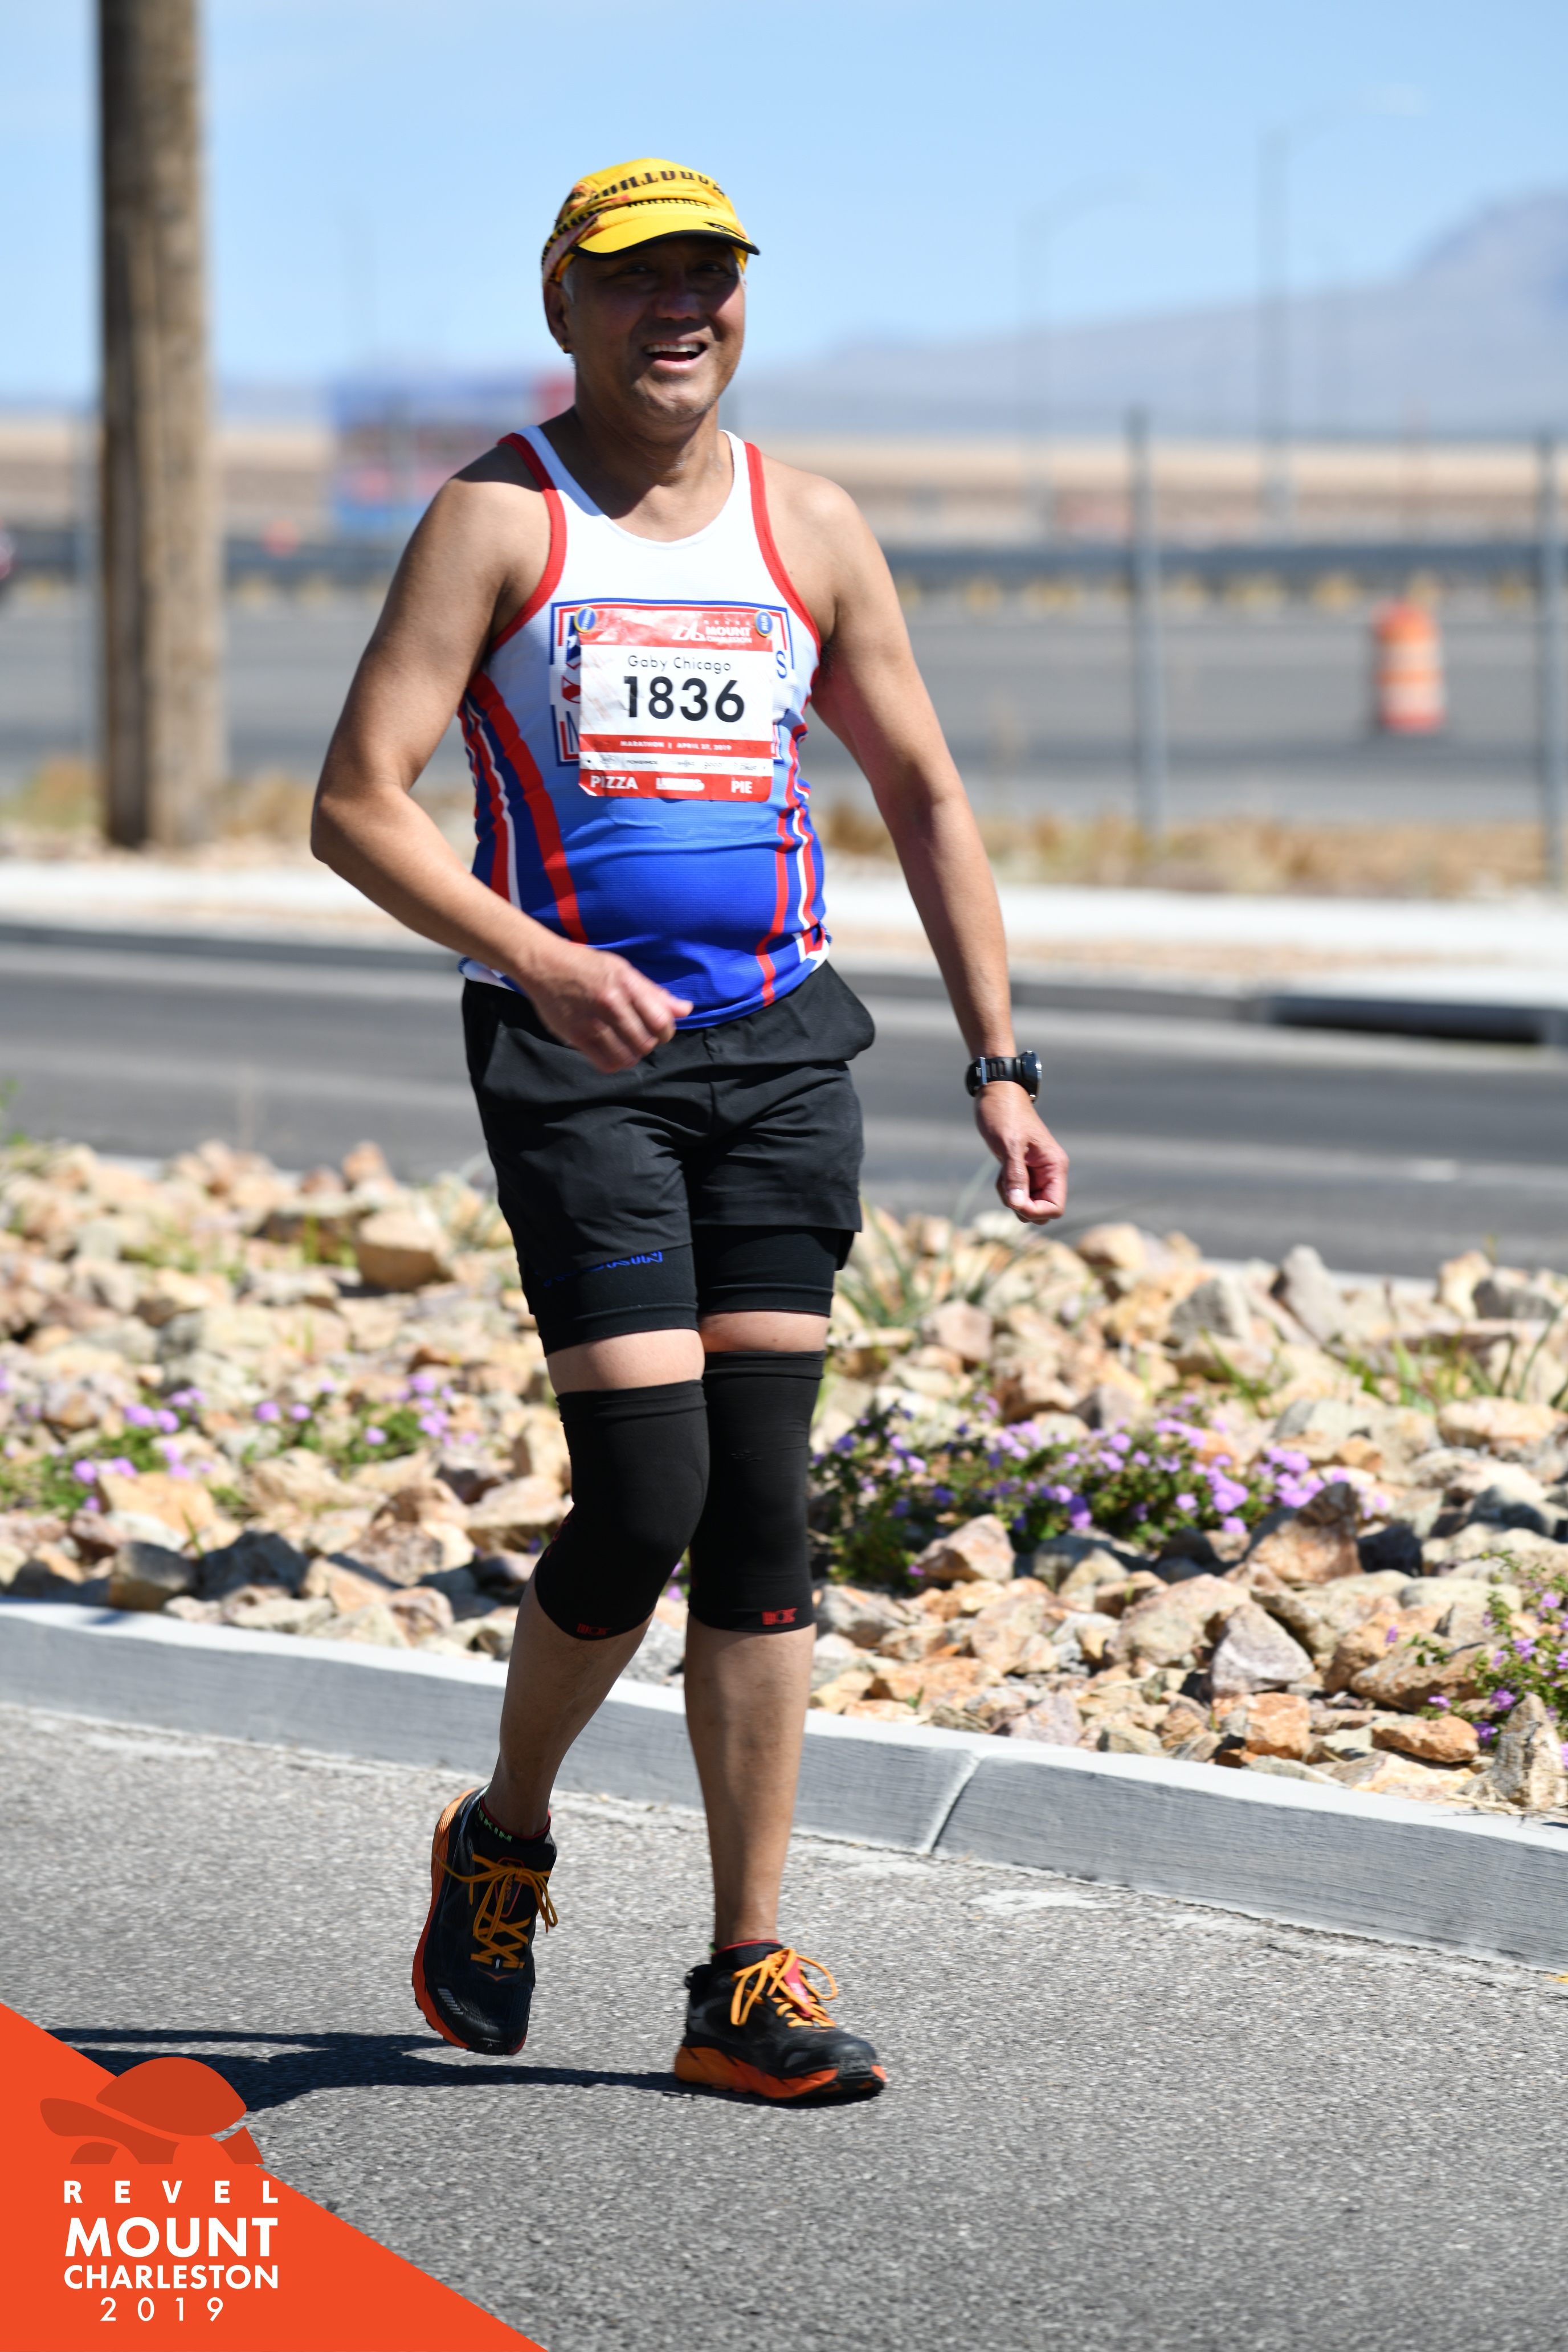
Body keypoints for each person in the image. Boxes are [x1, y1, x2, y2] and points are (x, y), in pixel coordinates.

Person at [312, 156, 1069, 2102]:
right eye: (640, 278)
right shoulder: (499, 517)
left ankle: (743, 1975)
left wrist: (1000, 1063)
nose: (682, 309)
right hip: (575, 1059)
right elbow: (358, 803)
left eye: (711, 277)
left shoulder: (809, 525)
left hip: (779, 1053)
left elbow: (927, 795)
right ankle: (504, 1836)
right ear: (564, 304)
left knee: (762, 1507)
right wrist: (540, 961)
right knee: (645, 1494)